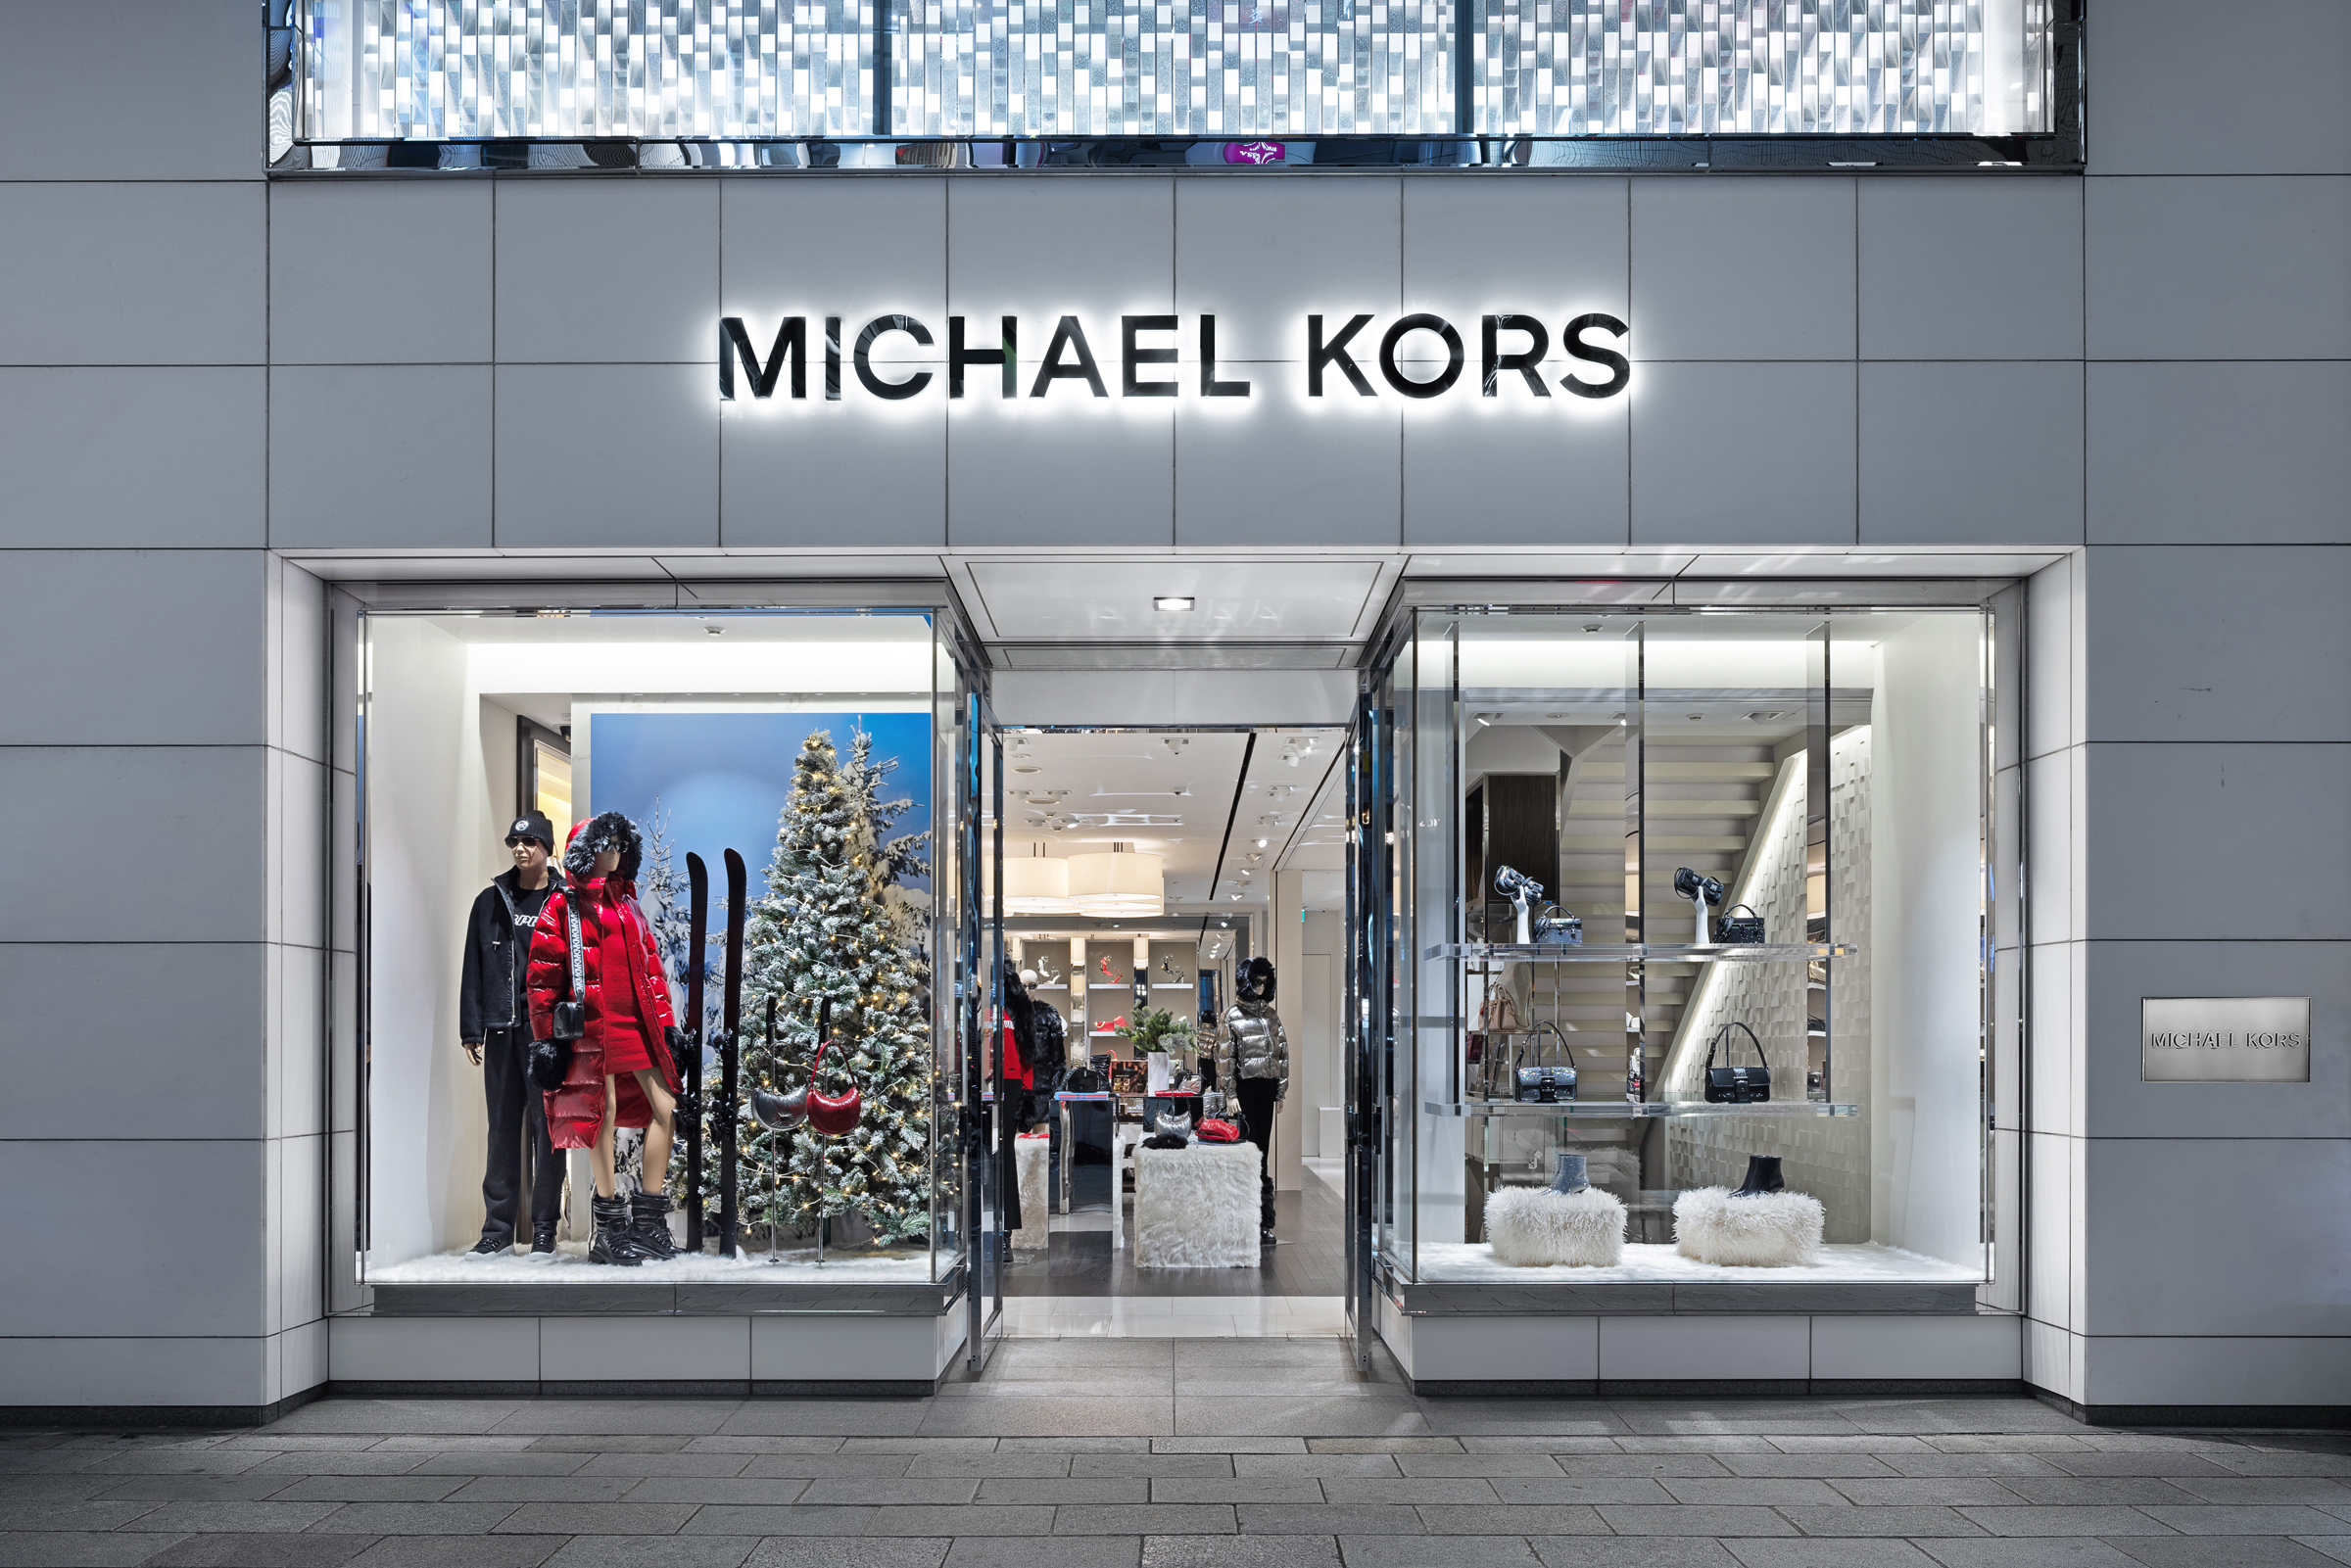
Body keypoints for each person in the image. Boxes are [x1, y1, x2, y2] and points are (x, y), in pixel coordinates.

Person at [526, 813, 686, 1266]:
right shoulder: (563, 906)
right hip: (592, 1029)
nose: (613, 852)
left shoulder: (627, 902)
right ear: (585, 850)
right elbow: (542, 980)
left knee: (665, 1108)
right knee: (604, 1112)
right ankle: (610, 1226)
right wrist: (546, 1042)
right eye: (604, 844)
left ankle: (648, 1223)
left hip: (636, 1025)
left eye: (619, 844)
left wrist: (666, 1026)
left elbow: (652, 970)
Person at [457, 811, 566, 1259]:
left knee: (549, 1132)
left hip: (549, 1036)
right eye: (514, 843)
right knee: (501, 1130)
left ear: (547, 848)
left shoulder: (565, 900)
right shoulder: (489, 902)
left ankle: (544, 1230)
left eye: (529, 842)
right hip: (502, 1029)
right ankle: (498, 1230)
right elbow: (473, 967)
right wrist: (471, 1028)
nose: (520, 849)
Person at [1217, 956, 1289, 1244]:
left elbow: (1282, 1053)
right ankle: (1242, 1219)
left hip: (1267, 1089)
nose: (1260, 987)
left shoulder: (1271, 1016)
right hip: (1244, 1090)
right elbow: (1224, 1057)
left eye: (1264, 982)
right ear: (1246, 983)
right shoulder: (1231, 1016)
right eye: (1256, 982)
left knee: (1262, 1152)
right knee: (1245, 1152)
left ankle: (1262, 1220)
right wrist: (1230, 1093)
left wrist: (1280, 1092)